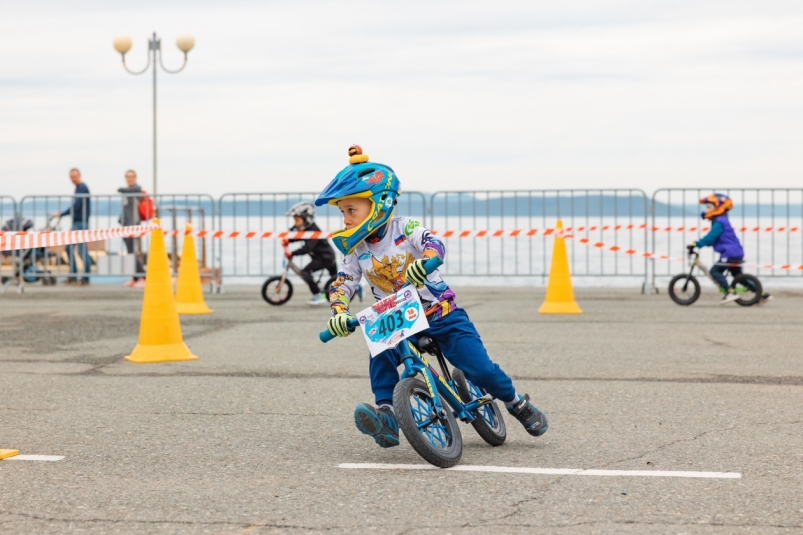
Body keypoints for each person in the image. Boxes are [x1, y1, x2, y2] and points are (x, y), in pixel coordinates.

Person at [317, 145, 548, 448]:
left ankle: (516, 402)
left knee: (480, 369)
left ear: (379, 204)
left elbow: (432, 242)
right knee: (379, 347)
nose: (346, 219)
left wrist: (426, 262)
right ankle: (386, 415)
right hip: (399, 319)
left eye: (351, 210)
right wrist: (338, 312)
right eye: (342, 212)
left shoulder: (404, 228)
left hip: (441, 314)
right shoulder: (356, 249)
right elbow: (343, 282)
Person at [690, 193, 771, 305]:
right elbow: (714, 239)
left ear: (718, 207)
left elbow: (711, 237)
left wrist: (696, 244)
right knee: (739, 278)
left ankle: (729, 292)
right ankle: (761, 294)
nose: (707, 210)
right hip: (736, 252)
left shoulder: (719, 222)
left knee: (715, 271)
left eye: (709, 207)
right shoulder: (722, 220)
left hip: (729, 254)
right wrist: (704, 243)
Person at [284, 201, 338, 305]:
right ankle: (356, 288)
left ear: (306, 218)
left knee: (305, 272)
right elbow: (299, 236)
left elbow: (308, 247)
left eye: (297, 220)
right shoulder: (307, 229)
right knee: (337, 280)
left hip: (324, 258)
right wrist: (288, 240)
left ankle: (318, 294)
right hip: (327, 256)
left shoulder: (314, 231)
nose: (295, 223)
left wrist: (292, 253)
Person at [52, 168, 90, 285]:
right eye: (71, 177)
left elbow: (76, 206)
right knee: (69, 248)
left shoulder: (82, 188)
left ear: (80, 175)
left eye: (75, 176)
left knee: (82, 250)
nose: (73, 179)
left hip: (80, 223)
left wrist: (62, 214)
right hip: (77, 223)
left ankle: (85, 278)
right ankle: (73, 275)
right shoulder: (78, 188)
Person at [118, 170, 146, 287]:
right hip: (125, 225)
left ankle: (144, 276)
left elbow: (122, 190)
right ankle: (135, 277)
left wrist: (121, 189)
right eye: (128, 177)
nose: (129, 179)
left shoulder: (136, 189)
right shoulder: (128, 191)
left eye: (131, 177)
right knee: (130, 252)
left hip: (133, 225)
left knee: (132, 252)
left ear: (135, 177)